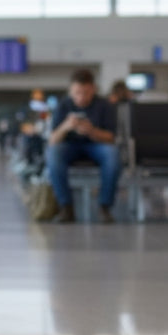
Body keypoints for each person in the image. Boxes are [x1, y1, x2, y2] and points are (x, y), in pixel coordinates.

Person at [45, 68, 121, 224]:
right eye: (77, 92)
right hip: (69, 146)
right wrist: (66, 126)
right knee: (53, 153)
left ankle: (104, 206)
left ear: (93, 89)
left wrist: (92, 131)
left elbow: (111, 137)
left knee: (112, 154)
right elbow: (52, 140)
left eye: (85, 92)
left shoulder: (104, 106)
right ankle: (66, 207)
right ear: (70, 90)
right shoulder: (63, 105)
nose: (81, 97)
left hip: (96, 145)